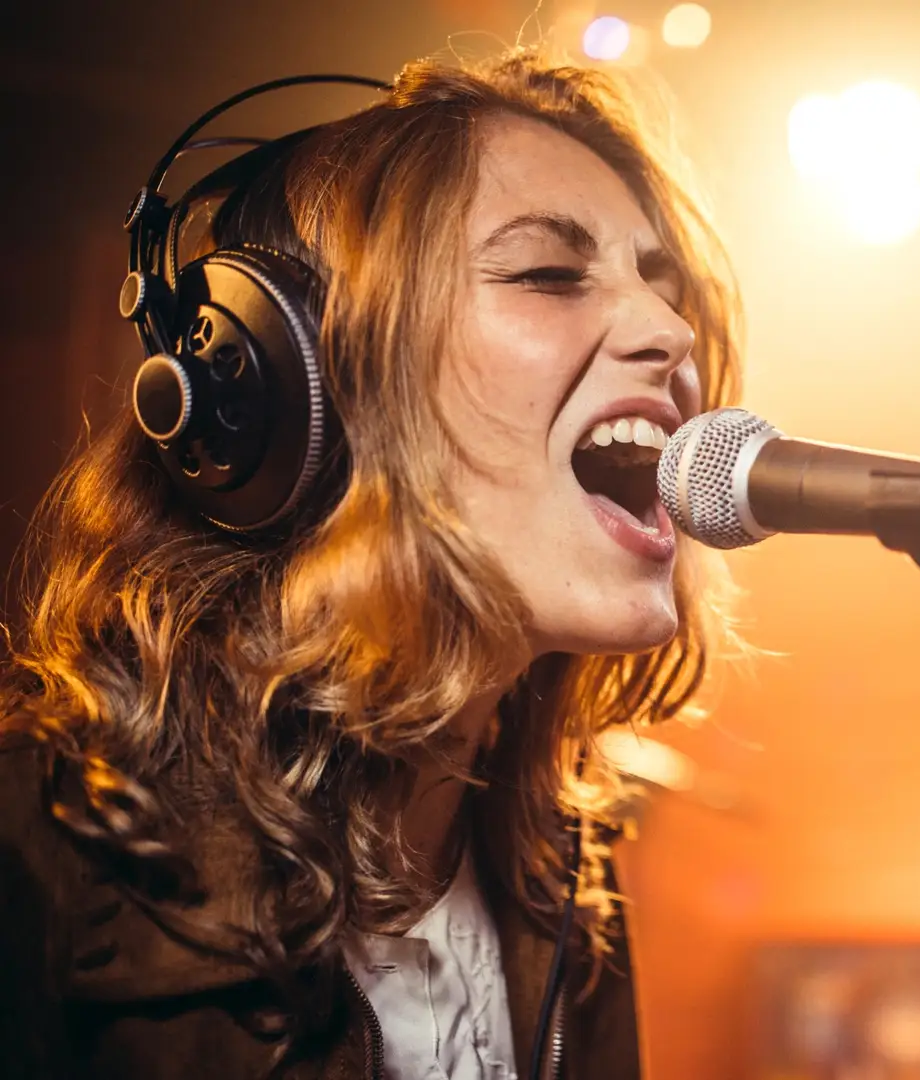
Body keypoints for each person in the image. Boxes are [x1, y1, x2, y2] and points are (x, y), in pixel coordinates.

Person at [0, 46, 741, 1079]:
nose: (672, 332)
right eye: (546, 273)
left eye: (663, 290)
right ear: (305, 395)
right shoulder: (32, 869)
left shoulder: (567, 885)